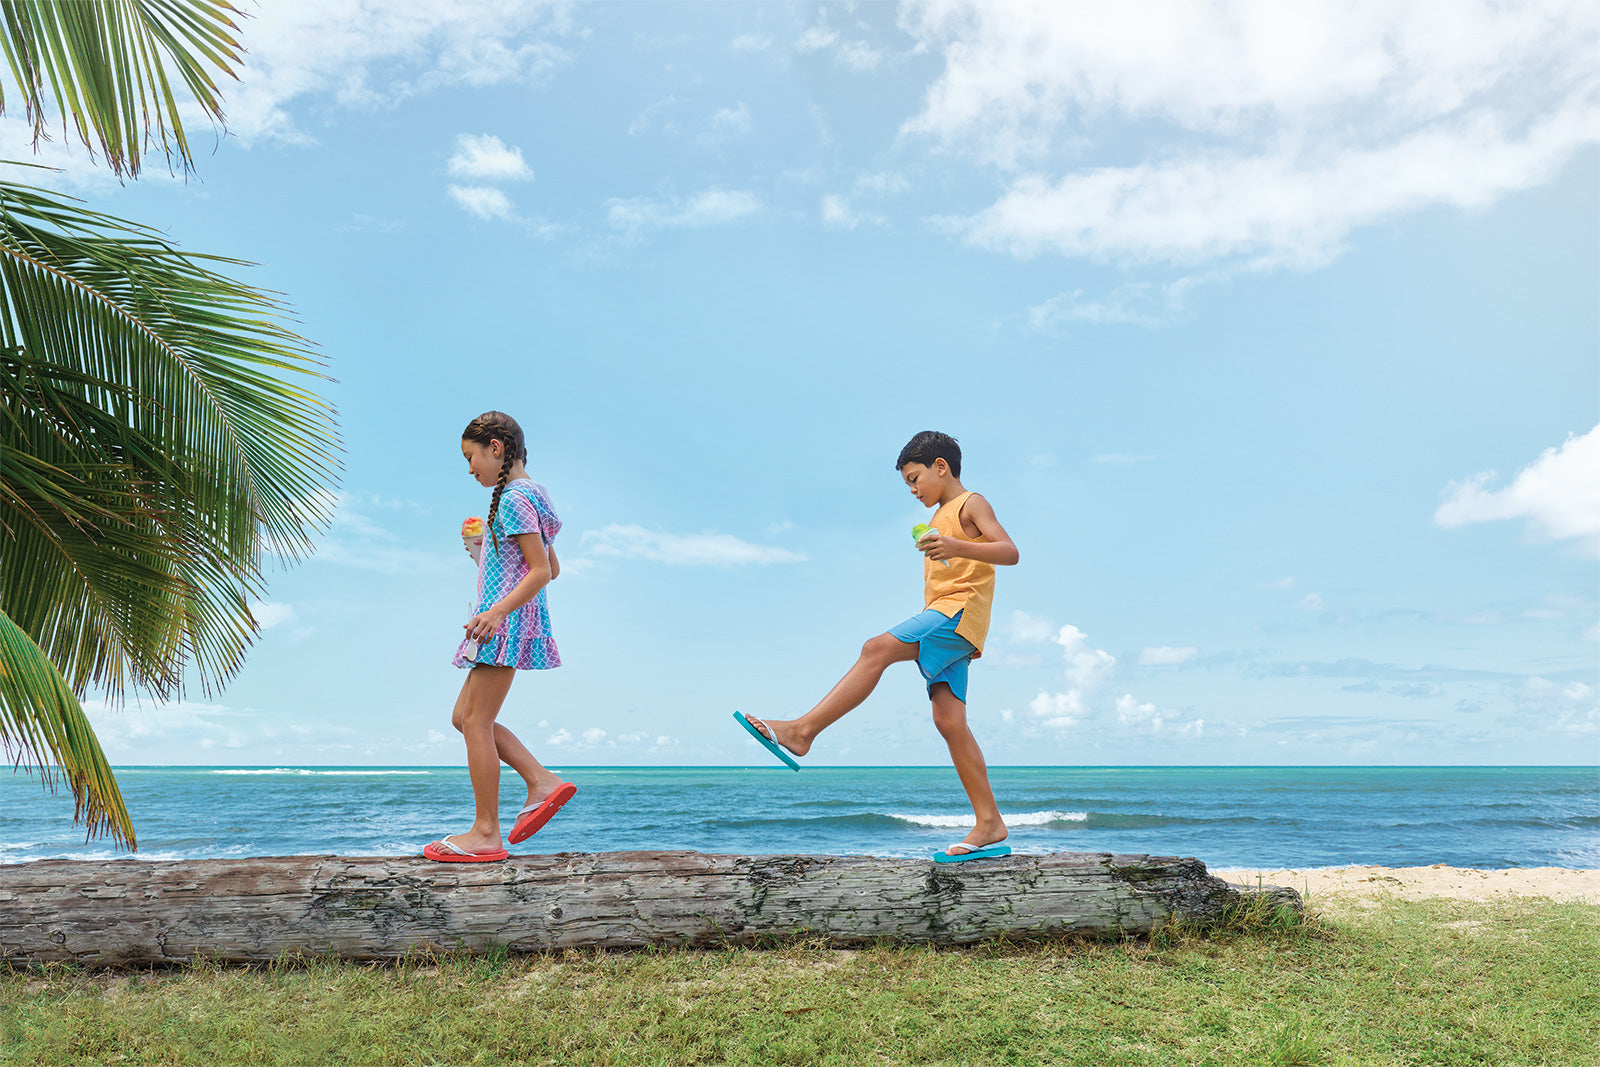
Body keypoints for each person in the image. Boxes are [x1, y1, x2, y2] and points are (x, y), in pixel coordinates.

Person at [735, 430, 1020, 862]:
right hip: (953, 620)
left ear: (940, 467)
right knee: (949, 722)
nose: (912, 489)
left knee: (876, 649)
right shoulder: (941, 513)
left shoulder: (970, 503)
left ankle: (801, 731)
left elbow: (1010, 551)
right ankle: (989, 821)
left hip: (957, 611)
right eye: (907, 483)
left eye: (914, 478)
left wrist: (956, 543)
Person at [424, 411, 576, 862]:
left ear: (496, 447)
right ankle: (541, 780)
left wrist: (495, 611)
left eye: (471, 457)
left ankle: (486, 833)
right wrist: (482, 554)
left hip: (502, 623)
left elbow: (543, 571)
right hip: (507, 618)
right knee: (465, 717)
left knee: (474, 722)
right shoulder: (532, 495)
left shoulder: (512, 497)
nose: (470, 468)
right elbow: (549, 567)